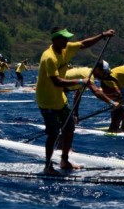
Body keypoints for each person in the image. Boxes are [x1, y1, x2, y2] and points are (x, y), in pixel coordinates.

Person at [35, 26, 115, 174]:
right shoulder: (49, 57)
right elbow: (57, 82)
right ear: (56, 39)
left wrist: (103, 35)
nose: (67, 41)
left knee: (69, 128)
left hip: (60, 98)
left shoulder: (66, 48)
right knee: (53, 134)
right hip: (46, 100)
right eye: (64, 38)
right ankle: (47, 166)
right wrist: (79, 81)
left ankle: (64, 160)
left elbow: (84, 44)